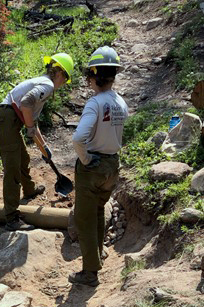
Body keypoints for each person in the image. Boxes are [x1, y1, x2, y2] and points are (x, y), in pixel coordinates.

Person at [0, 53, 74, 231]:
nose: (62, 85)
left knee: (23, 158)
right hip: (7, 122)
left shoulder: (42, 83)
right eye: (64, 80)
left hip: (9, 122)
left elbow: (32, 121)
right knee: (13, 169)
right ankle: (12, 218)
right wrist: (29, 127)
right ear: (60, 74)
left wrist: (44, 147)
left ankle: (29, 189)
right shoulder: (48, 85)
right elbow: (26, 103)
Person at [70, 46, 129, 286]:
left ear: (94, 76)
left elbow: (78, 138)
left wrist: (84, 159)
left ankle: (90, 273)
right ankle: (98, 256)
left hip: (92, 166)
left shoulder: (95, 103)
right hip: (112, 165)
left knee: (84, 219)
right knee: (97, 212)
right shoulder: (120, 103)